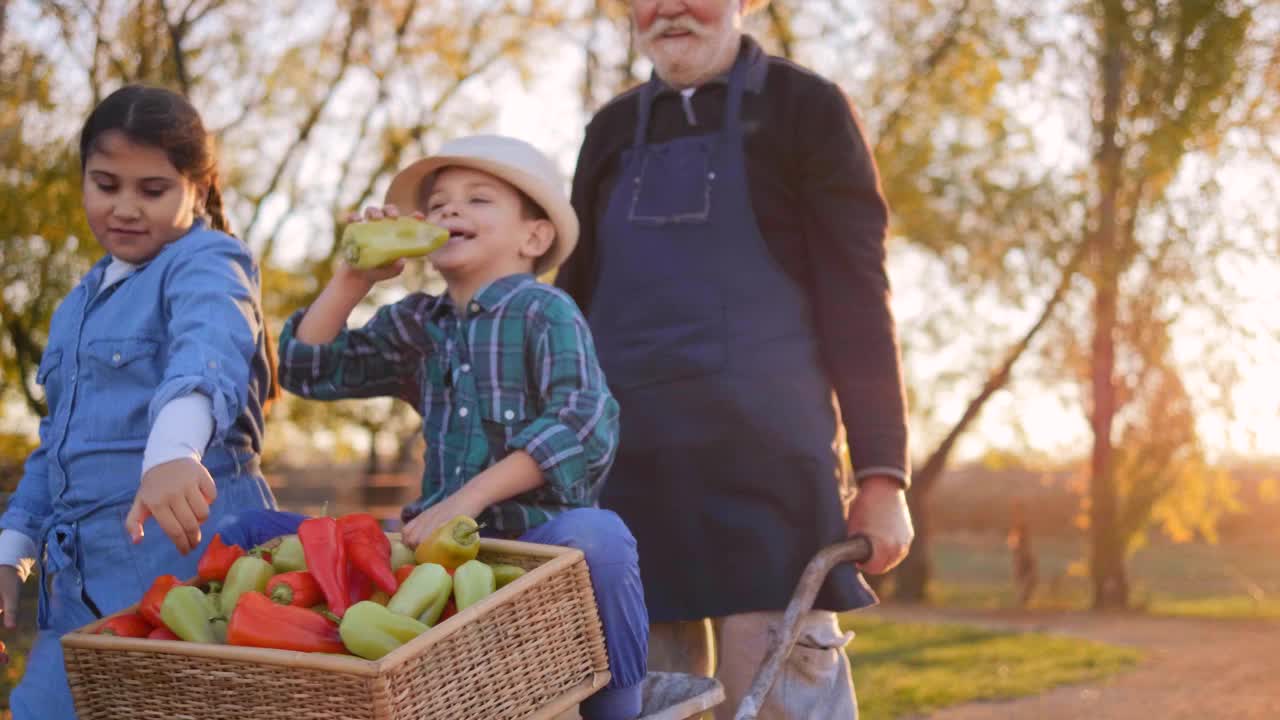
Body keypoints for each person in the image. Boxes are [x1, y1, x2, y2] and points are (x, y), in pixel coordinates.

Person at [556, 0, 915, 717]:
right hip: (626, 482)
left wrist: (882, 473)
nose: (669, 9)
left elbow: (856, 291)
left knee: (780, 703)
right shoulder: (611, 130)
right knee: (644, 702)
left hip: (771, 483)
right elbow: (570, 305)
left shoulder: (805, 109)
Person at [219, 135, 648, 720]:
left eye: (477, 199)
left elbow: (583, 423)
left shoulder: (547, 312)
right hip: (427, 561)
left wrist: (463, 503)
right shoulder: (419, 322)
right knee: (247, 531)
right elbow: (304, 367)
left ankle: (619, 710)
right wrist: (354, 276)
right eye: (439, 202)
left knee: (603, 538)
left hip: (531, 551)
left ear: (534, 237)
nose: (449, 211)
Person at [0, 84, 282, 719]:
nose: (125, 208)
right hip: (77, 591)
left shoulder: (207, 261)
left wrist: (174, 452)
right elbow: (58, 445)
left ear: (199, 186)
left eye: (152, 190)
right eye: (105, 184)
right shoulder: (77, 304)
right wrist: (12, 552)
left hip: (190, 569)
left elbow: (208, 347)